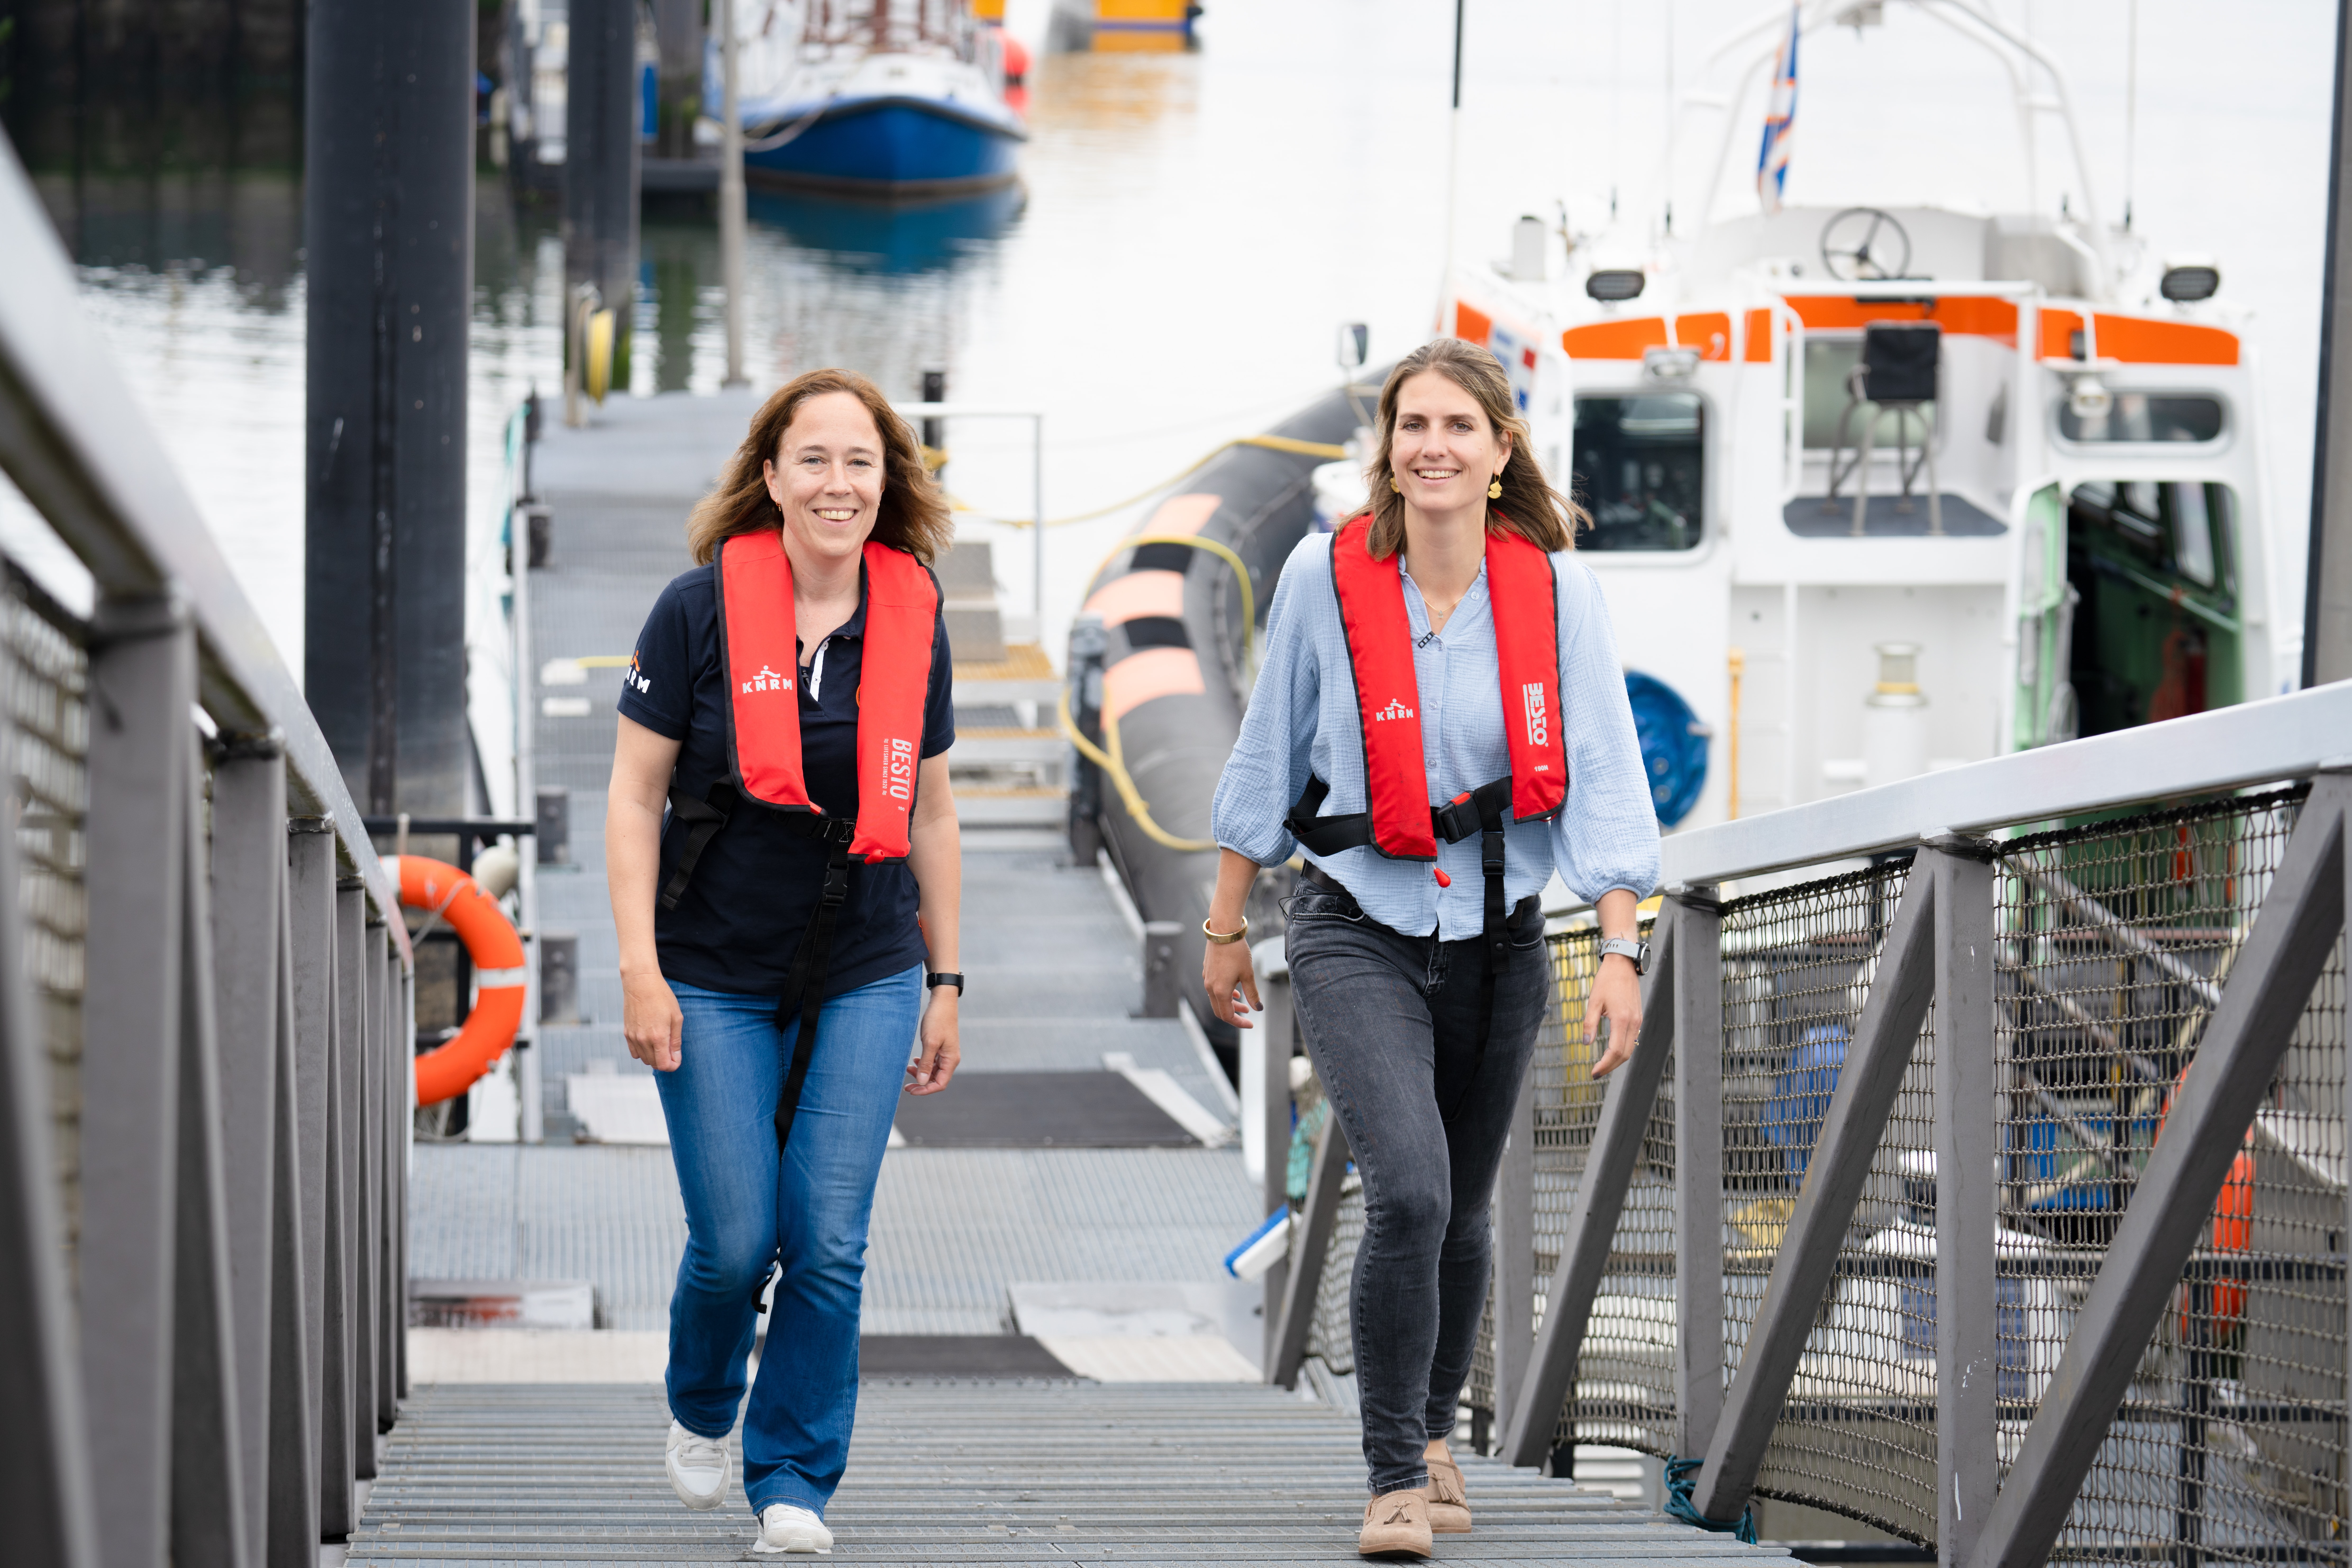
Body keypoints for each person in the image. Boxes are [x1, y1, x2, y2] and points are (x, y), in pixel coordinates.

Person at [1203, 337, 1659, 1560]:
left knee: (1461, 1212)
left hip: (1504, 932)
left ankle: (1442, 1429)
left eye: (1461, 426)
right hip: (1357, 922)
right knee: (1406, 1187)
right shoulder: (1323, 573)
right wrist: (1225, 921)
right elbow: (1268, 746)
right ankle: (1395, 1471)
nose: (1435, 447)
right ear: (1388, 451)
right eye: (1414, 426)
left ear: (1502, 450)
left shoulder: (1557, 592)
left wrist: (1619, 948)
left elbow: (1606, 774)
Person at [606, 368, 965, 1556]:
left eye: (860, 462)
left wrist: (947, 980)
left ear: (887, 483)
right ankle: (705, 1404)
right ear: (769, 477)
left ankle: (796, 1480)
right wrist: (638, 971)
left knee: (829, 1238)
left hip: (866, 965)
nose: (838, 484)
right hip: (708, 968)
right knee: (734, 1240)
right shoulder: (694, 612)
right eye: (813, 460)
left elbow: (936, 816)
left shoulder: (915, 618)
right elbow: (632, 795)